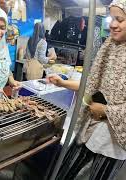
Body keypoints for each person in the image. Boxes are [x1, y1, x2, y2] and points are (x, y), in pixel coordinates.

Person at [47, 1, 126, 179]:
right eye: (111, 18)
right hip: (89, 128)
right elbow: (92, 84)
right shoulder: (110, 46)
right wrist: (63, 83)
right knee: (64, 172)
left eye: (119, 19)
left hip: (113, 141)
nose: (113, 24)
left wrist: (107, 110)